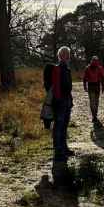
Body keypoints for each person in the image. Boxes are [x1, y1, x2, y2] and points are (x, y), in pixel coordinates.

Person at [45, 46, 74, 187]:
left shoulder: (67, 69)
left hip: (66, 101)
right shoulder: (58, 69)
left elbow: (68, 87)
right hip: (60, 102)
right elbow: (56, 87)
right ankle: (58, 152)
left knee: (64, 126)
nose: (67, 56)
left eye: (68, 54)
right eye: (65, 54)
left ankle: (64, 148)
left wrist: (70, 101)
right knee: (59, 126)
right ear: (60, 56)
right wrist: (59, 100)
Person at [83, 55, 104, 122]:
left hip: (93, 86)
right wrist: (103, 87)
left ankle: (94, 115)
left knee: (93, 102)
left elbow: (84, 78)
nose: (95, 62)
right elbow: (102, 78)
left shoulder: (88, 68)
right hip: (95, 86)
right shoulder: (98, 68)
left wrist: (85, 86)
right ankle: (94, 115)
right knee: (95, 102)